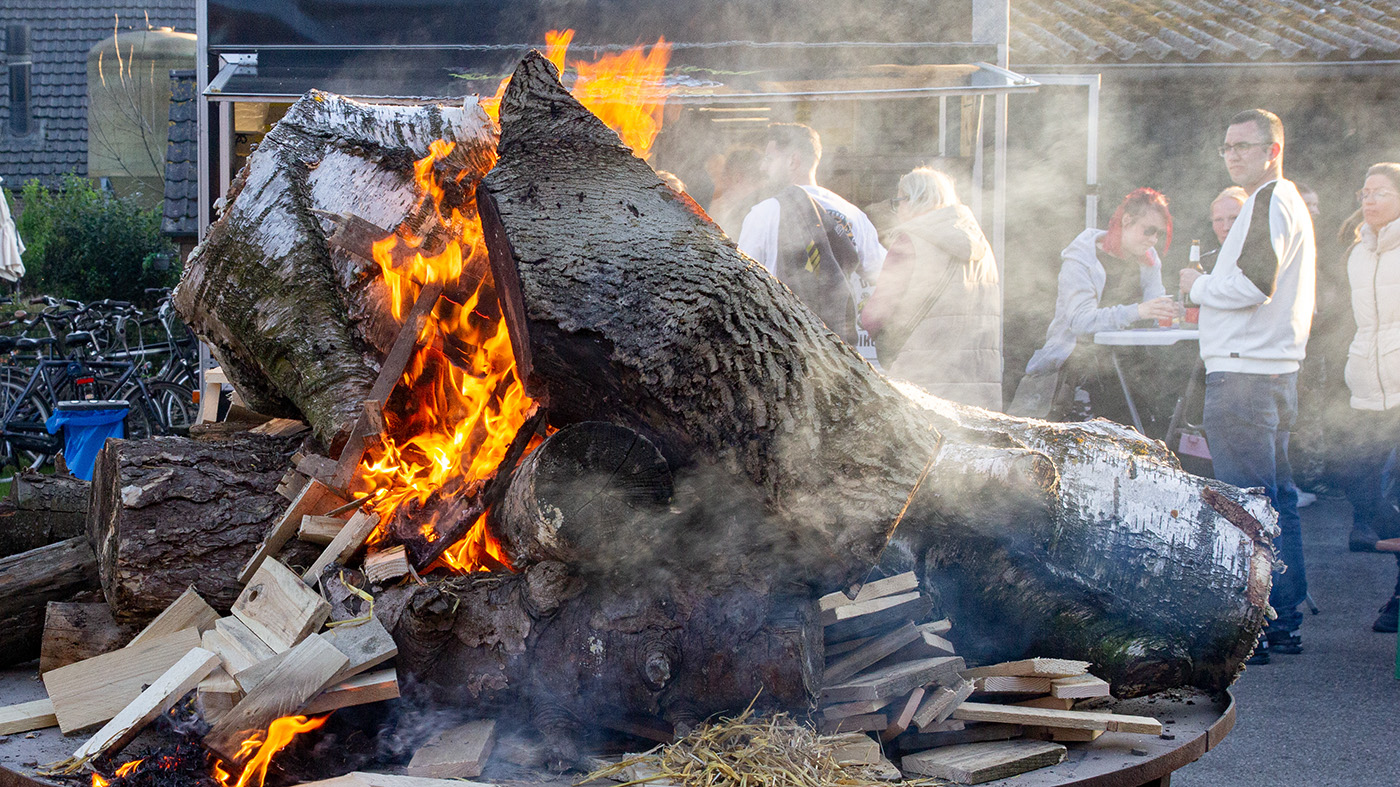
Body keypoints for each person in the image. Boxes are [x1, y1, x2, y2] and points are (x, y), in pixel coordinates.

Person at [1179, 109, 1316, 663]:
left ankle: (1251, 629)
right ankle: (1281, 620)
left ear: (1273, 150)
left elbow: (1256, 283)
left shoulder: (1268, 199)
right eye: (1228, 147)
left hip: (1244, 374)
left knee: (1247, 507)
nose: (1234, 155)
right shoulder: (1284, 203)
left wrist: (1198, 287)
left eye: (1245, 146)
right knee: (1277, 501)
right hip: (1270, 372)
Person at [860, 167, 1001, 409]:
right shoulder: (982, 245)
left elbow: (875, 315)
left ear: (915, 199)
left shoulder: (911, 240)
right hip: (978, 380)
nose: (897, 209)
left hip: (923, 378)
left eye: (898, 201)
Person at [1021, 188, 1176, 405]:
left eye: (1159, 233)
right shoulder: (1082, 259)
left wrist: (1174, 311)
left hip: (1131, 370)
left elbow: (1156, 312)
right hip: (1080, 371)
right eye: (1148, 230)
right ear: (1127, 220)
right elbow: (1080, 322)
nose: (1153, 240)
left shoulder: (1148, 259)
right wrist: (1138, 311)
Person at [737, 123, 885, 343]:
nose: (762, 167)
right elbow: (883, 274)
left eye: (769, 159)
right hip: (839, 345)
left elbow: (742, 283)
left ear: (792, 161)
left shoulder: (763, 214)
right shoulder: (853, 215)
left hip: (782, 344)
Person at [1339, 163, 1400, 632]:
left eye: (1380, 191)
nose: (1369, 199)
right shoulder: (1357, 252)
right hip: (1366, 387)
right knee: (1360, 484)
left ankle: (1398, 596)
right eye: (1365, 191)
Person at [707, 147, 763, 238]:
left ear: (737, 178)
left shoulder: (753, 213)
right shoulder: (765, 203)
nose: (723, 185)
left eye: (725, 177)